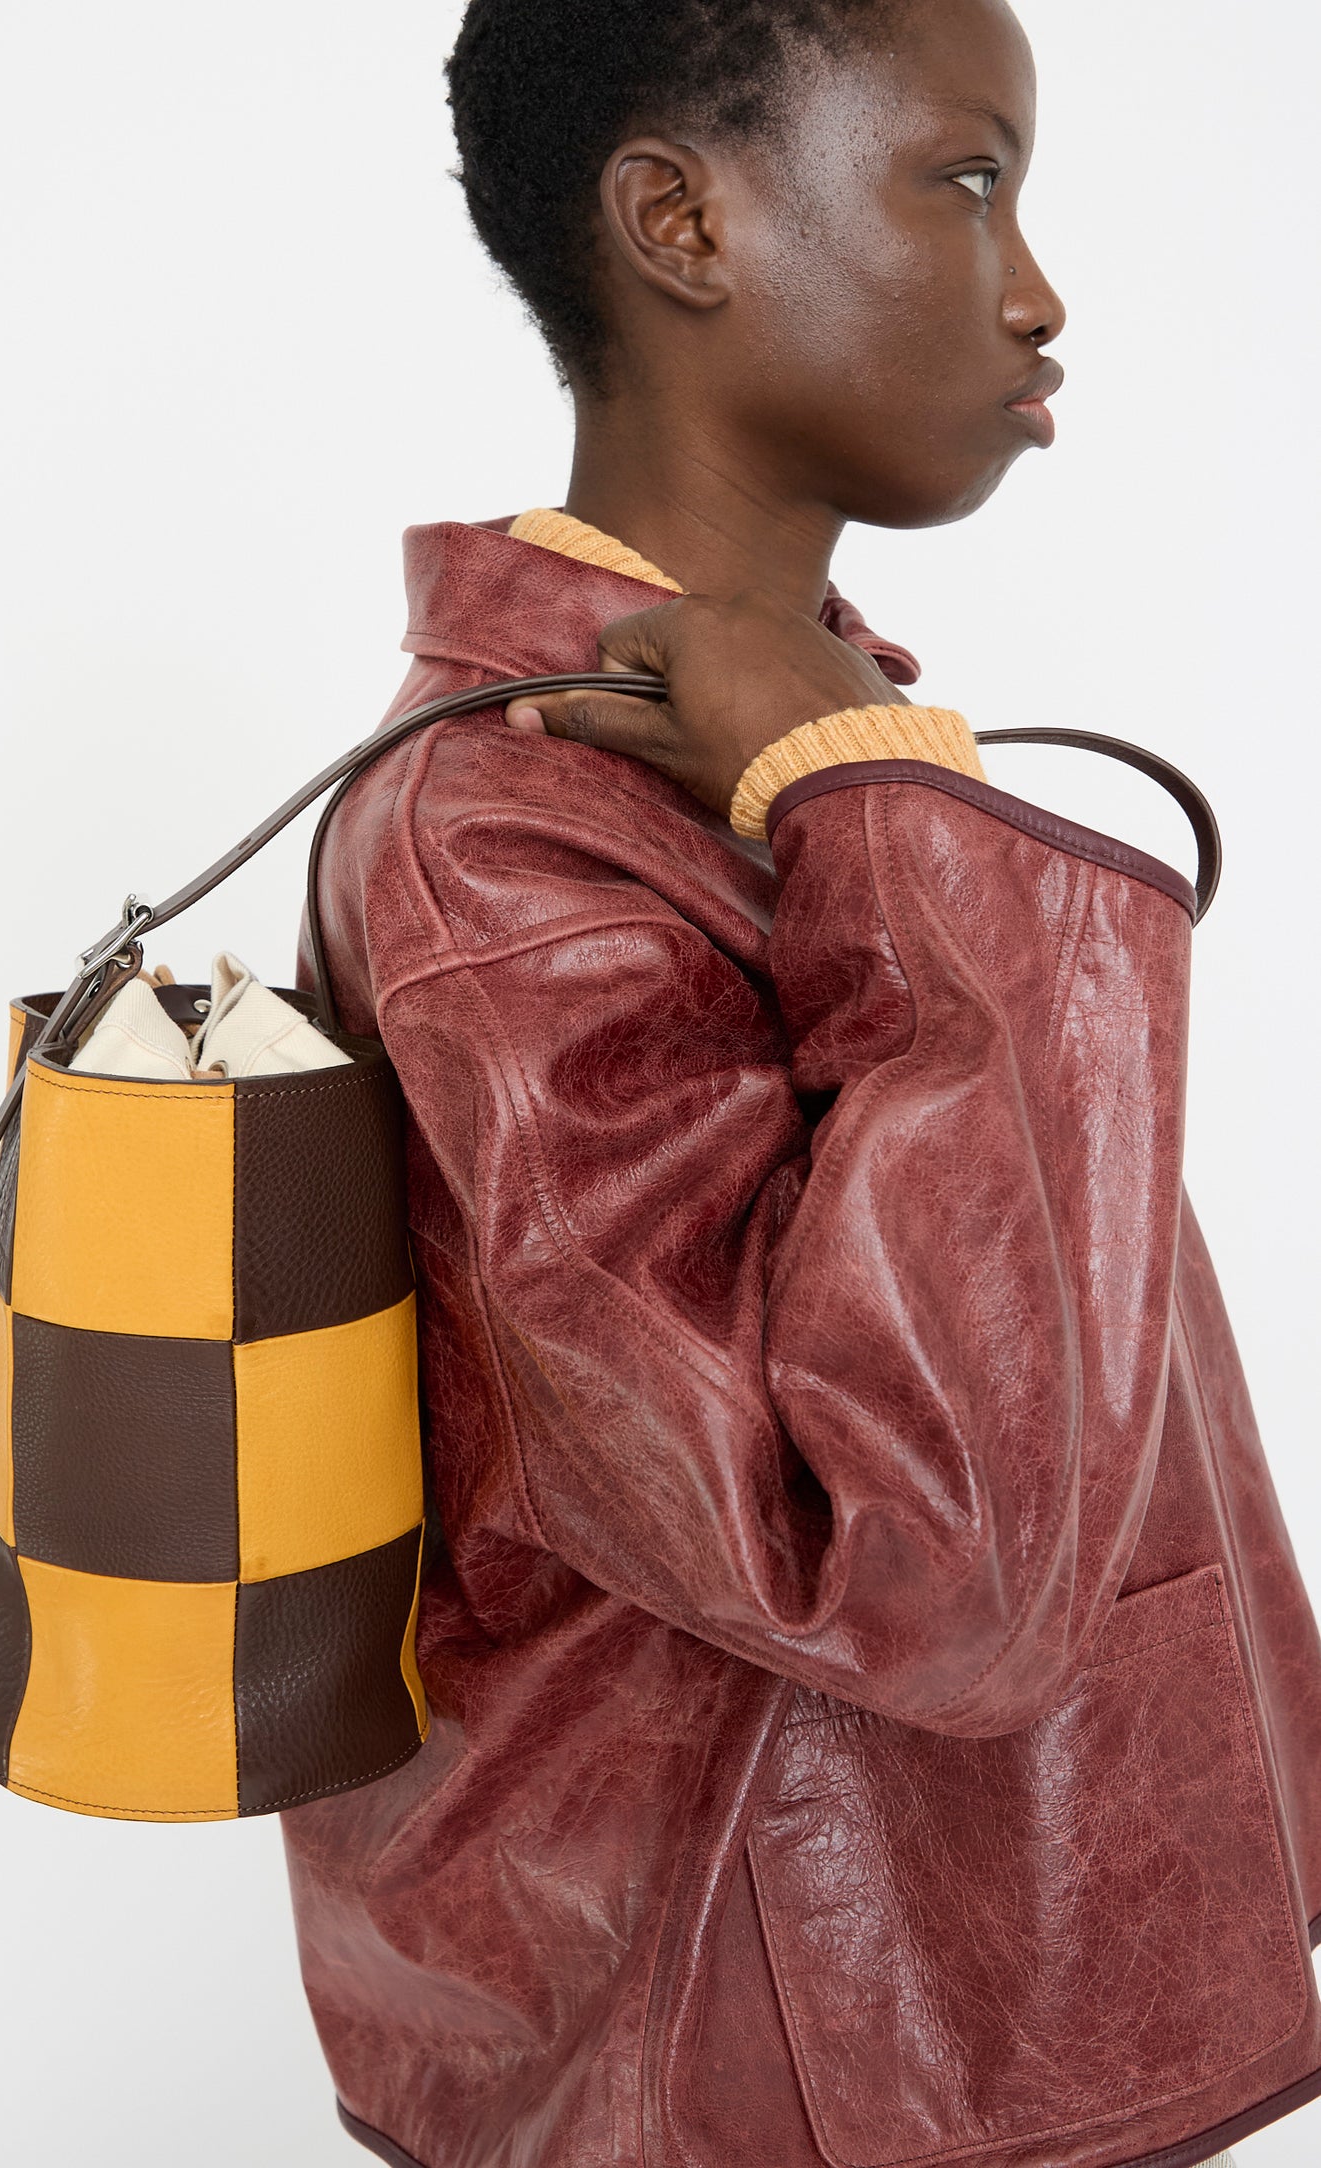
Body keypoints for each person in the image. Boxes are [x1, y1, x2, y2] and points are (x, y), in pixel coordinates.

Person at [283, 3, 1321, 2164]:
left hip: (924, 2017)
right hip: (776, 2066)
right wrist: (882, 810)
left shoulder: (766, 751)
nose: (1037, 289)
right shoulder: (519, 838)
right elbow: (898, 1551)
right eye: (966, 180)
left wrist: (854, 773)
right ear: (679, 219)